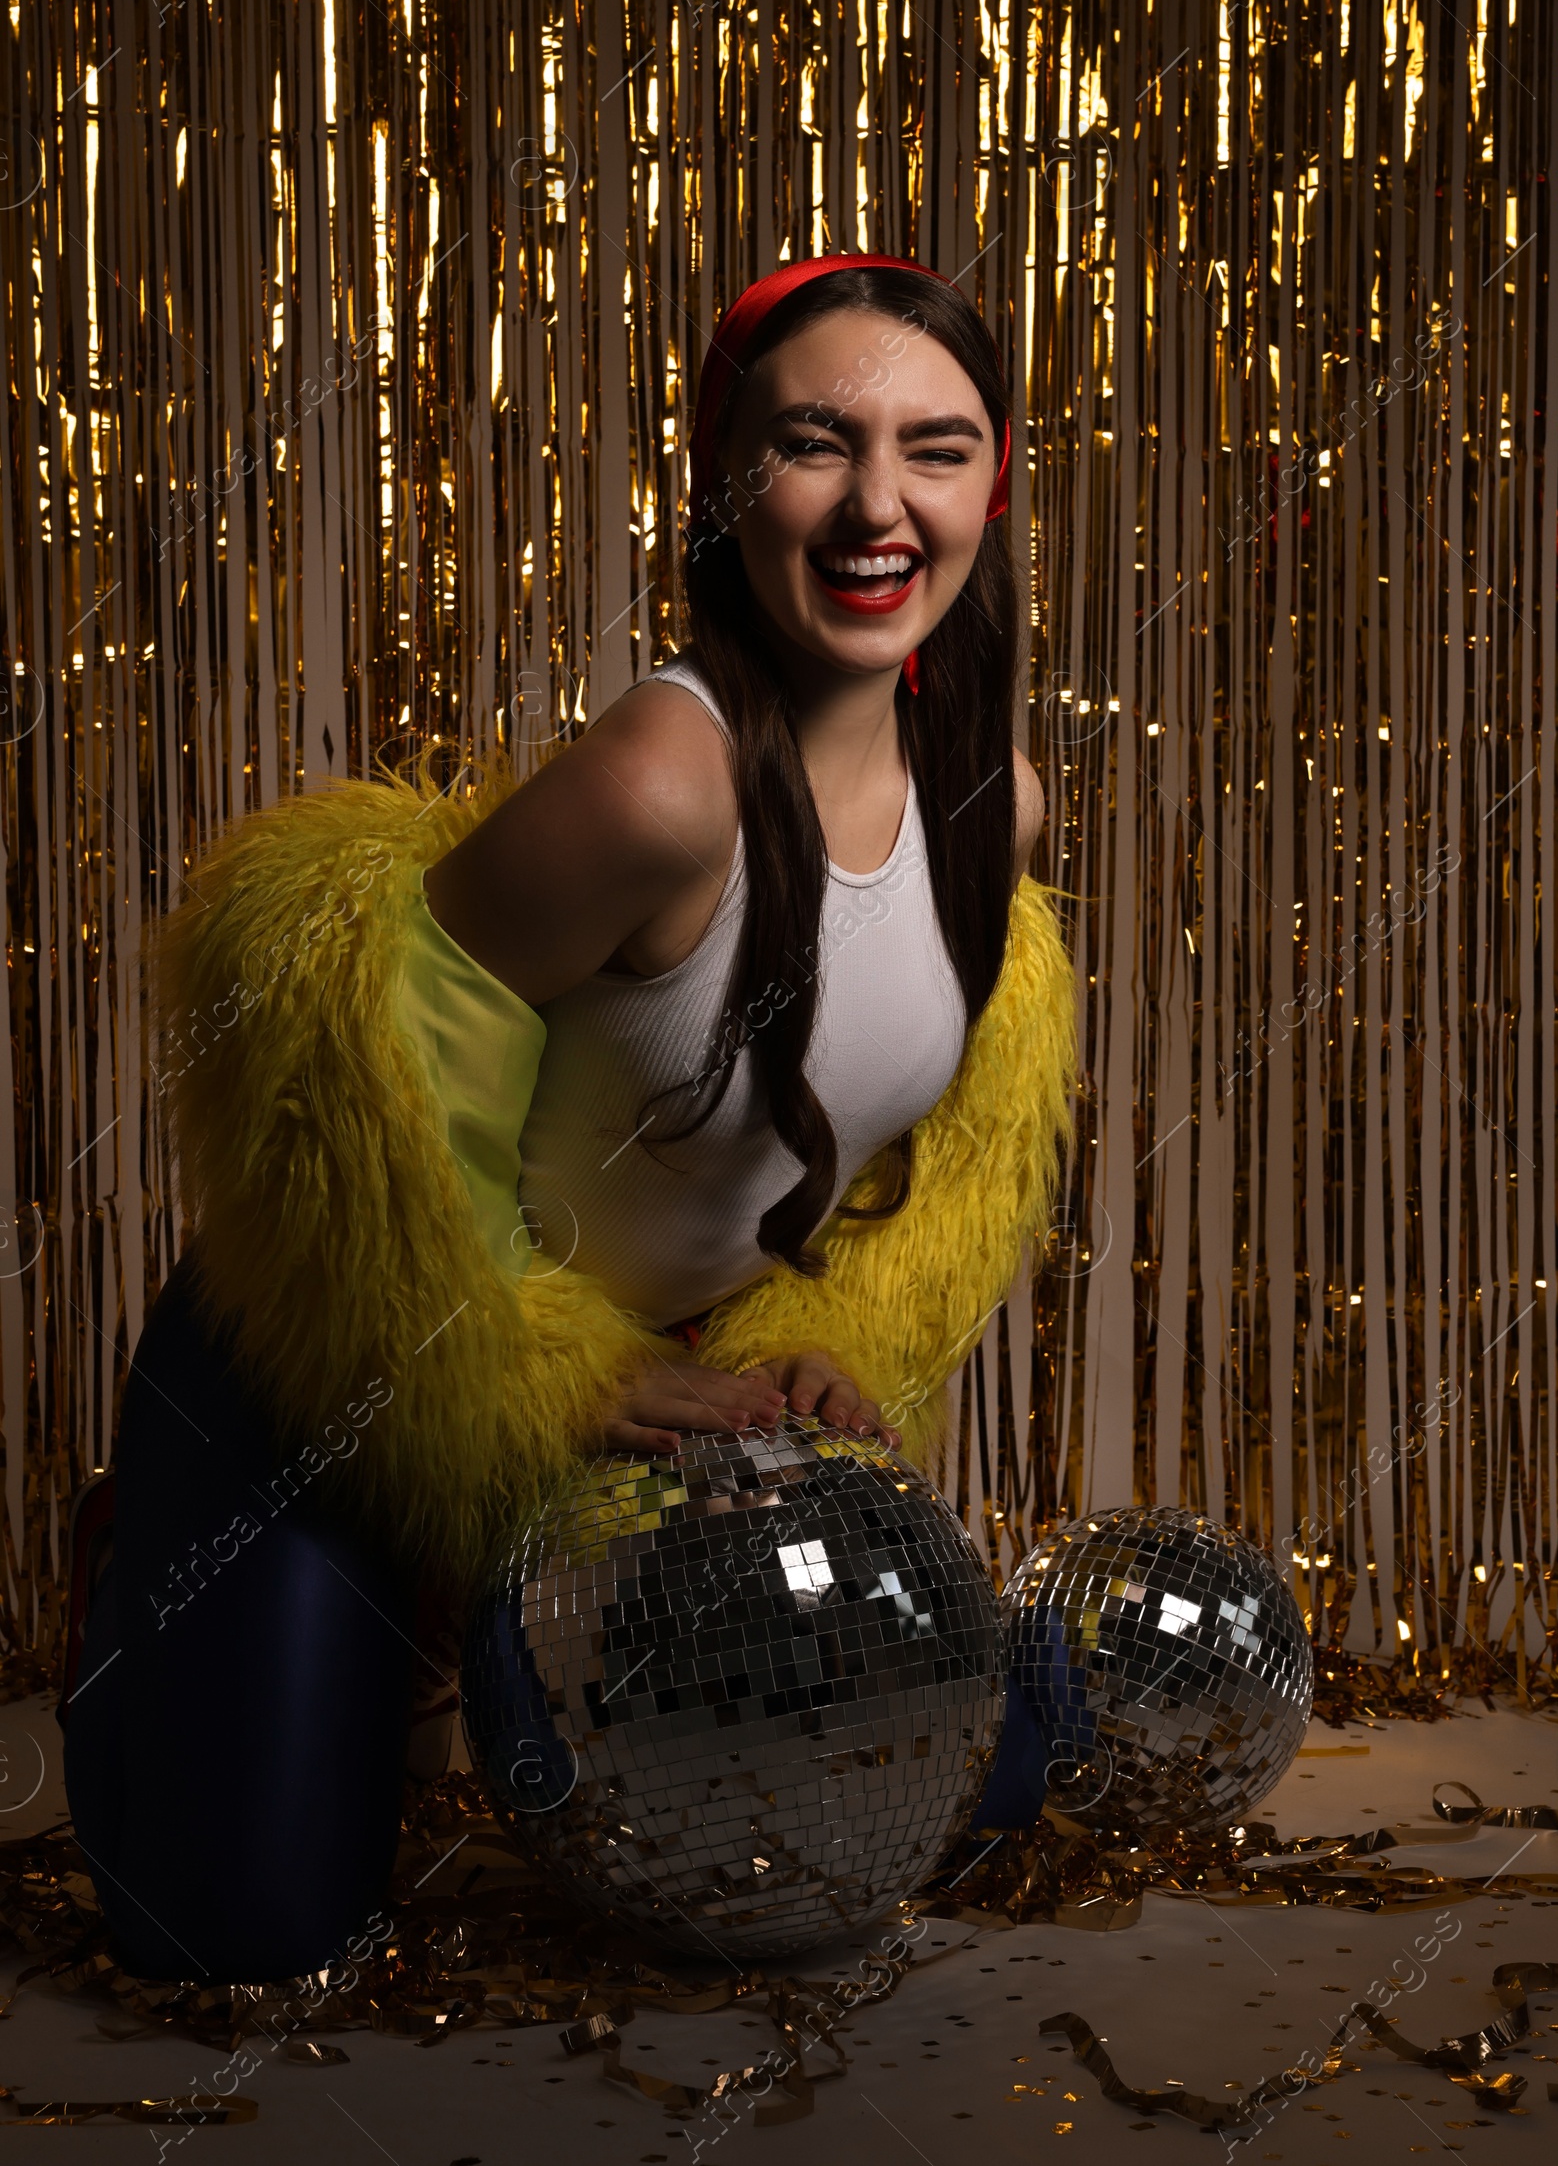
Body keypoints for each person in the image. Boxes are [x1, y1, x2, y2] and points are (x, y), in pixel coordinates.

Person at [60, 255, 1077, 1980]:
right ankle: (197, 1589)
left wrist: (816, 1335)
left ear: (998, 481)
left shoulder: (998, 808)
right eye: (816, 444)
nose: (879, 507)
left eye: (940, 447)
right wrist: (537, 1367)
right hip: (333, 1371)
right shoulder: (659, 789)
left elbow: (881, 1165)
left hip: (655, 1404)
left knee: (911, 1805)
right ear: (725, 476)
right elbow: (356, 1092)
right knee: (242, 1934)